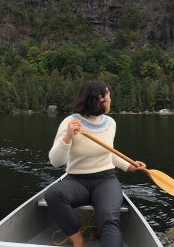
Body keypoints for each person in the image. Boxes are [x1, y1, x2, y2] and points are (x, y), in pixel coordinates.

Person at [45, 80, 146, 247]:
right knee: (53, 194)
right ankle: (79, 241)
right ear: (99, 99)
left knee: (109, 219)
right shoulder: (70, 123)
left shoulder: (110, 123)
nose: (111, 99)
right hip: (77, 181)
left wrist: (129, 166)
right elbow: (56, 162)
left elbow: (109, 153)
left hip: (106, 180)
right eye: (108, 95)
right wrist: (68, 136)